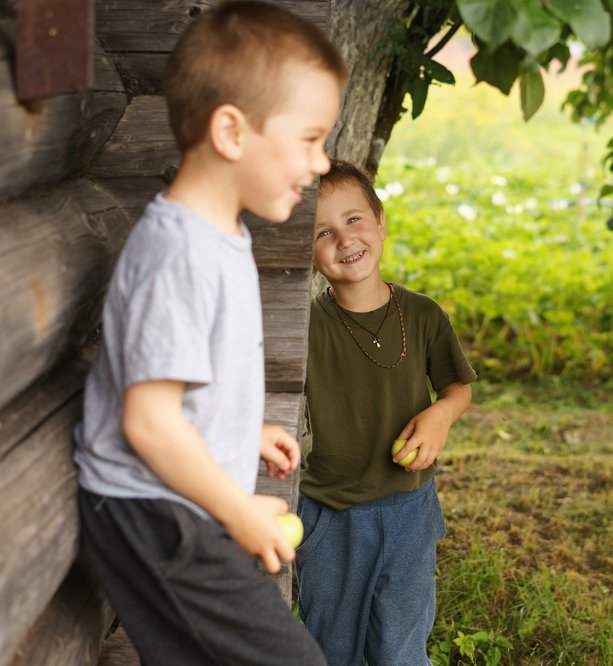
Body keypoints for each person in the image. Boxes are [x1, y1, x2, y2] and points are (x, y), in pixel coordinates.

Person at [72, 3, 347, 664]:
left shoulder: (217, 236)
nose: (322, 160)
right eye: (309, 139)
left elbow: (179, 379)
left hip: (171, 505)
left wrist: (237, 432)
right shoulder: (179, 253)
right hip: (154, 511)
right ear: (231, 130)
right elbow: (150, 423)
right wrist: (240, 510)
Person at [296, 160, 477, 665]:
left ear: (381, 222)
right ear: (306, 252)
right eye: (322, 232)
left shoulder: (421, 314)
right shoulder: (305, 328)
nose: (344, 240)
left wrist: (441, 414)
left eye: (354, 220)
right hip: (328, 513)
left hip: (410, 509)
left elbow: (458, 386)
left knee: (400, 647)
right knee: (333, 646)